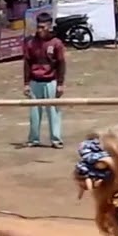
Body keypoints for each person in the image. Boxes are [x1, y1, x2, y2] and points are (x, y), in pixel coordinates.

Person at [23, 11, 66, 149]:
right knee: (34, 113)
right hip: (35, 81)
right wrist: (26, 83)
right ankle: (33, 139)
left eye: (43, 27)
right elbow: (27, 63)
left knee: (53, 111)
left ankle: (56, 139)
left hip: (51, 81)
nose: (40, 30)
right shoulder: (31, 43)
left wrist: (60, 84)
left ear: (49, 27)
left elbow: (61, 63)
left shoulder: (56, 43)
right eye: (38, 27)